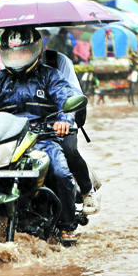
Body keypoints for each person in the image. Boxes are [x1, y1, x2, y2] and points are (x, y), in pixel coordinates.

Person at [0, 27, 80, 241]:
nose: (17, 58)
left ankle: (67, 227)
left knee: (60, 173)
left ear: (36, 51)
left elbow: (65, 100)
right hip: (7, 141)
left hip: (43, 138)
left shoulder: (50, 76)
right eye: (12, 53)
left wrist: (64, 120)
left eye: (23, 52)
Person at [44, 48, 100, 215]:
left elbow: (72, 93)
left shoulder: (58, 61)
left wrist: (65, 118)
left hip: (61, 119)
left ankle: (87, 191)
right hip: (27, 124)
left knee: (68, 150)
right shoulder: (8, 67)